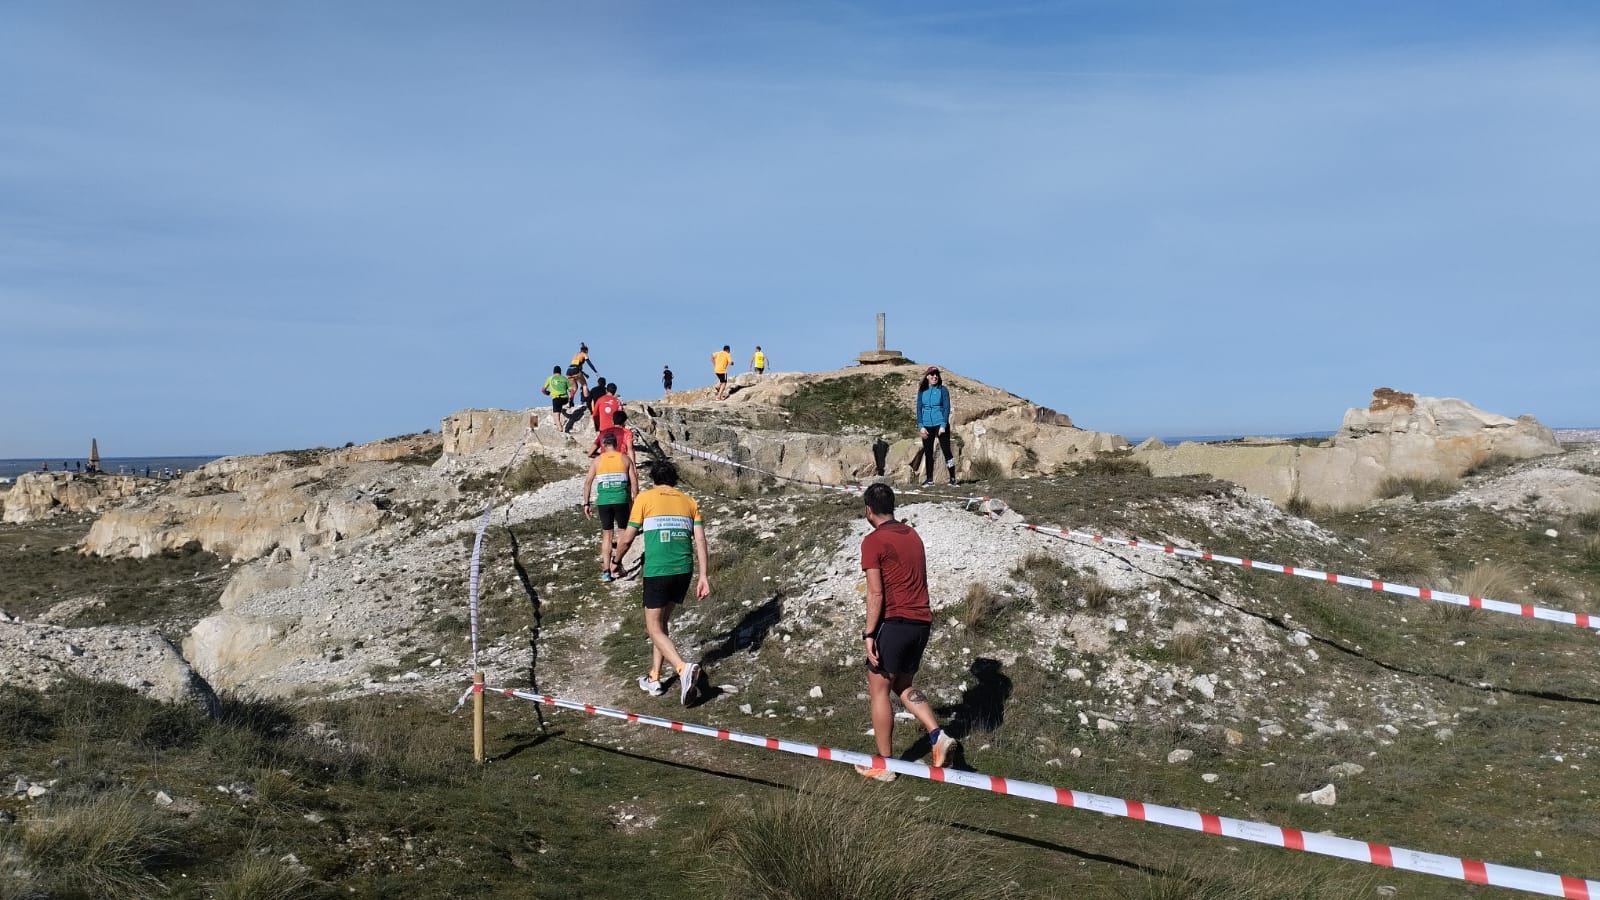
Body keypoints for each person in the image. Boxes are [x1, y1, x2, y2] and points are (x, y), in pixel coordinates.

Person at [854, 483, 956, 781]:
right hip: (921, 622)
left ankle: (885, 765)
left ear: (868, 510)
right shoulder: (913, 535)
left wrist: (869, 634)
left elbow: (875, 594)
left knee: (879, 690)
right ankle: (937, 735)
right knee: (903, 685)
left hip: (895, 623)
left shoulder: (873, 541)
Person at [611, 459, 711, 706]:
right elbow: (700, 540)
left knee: (653, 629)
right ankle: (654, 677)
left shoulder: (645, 498)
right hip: (684, 570)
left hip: (658, 570)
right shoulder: (689, 501)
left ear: (653, 479)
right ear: (674, 480)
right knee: (662, 624)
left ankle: (682, 668)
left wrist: (615, 561)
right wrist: (704, 576)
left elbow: (626, 538)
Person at [582, 432, 639, 583]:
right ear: (617, 444)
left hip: (604, 501)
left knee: (606, 535)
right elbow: (634, 482)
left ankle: (606, 571)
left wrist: (586, 503)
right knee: (622, 533)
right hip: (621, 499)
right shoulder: (625, 458)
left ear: (603, 445)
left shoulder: (597, 461)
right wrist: (636, 500)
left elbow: (588, 482)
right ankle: (617, 563)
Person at [916, 366, 956, 486]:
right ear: (927, 376)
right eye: (932, 374)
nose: (935, 376)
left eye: (936, 374)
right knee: (928, 453)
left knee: (947, 451)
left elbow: (946, 407)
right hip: (926, 425)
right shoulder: (922, 390)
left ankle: (953, 478)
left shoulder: (943, 389)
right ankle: (929, 479)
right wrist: (921, 426)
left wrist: (943, 424)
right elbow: (918, 409)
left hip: (940, 424)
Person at [542, 365, 574, 430]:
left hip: (556, 398)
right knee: (560, 406)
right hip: (565, 398)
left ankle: (559, 427)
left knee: (556, 412)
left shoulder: (550, 378)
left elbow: (543, 390)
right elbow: (571, 391)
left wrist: (547, 393)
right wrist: (571, 400)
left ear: (553, 372)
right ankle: (565, 407)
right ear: (560, 372)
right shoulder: (565, 378)